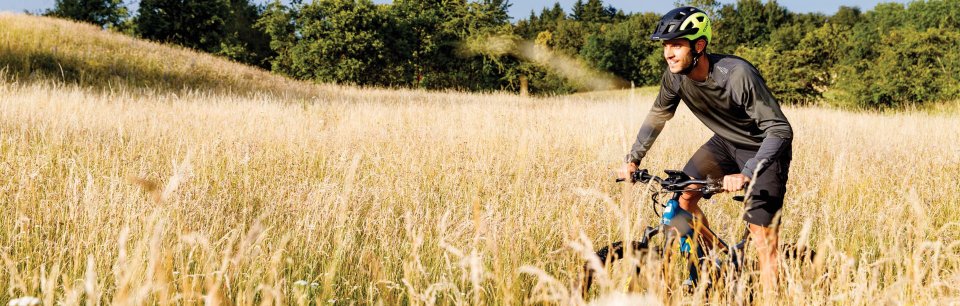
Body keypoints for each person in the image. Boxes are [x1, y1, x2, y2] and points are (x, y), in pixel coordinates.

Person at [616, 6, 793, 294]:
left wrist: (747, 173)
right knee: (683, 201)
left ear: (699, 46)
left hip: (764, 150)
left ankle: (773, 296)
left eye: (676, 45)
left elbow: (780, 130)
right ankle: (716, 262)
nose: (668, 53)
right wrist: (633, 160)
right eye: (665, 46)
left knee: (763, 239)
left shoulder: (736, 75)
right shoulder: (675, 77)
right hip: (724, 143)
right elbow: (658, 116)